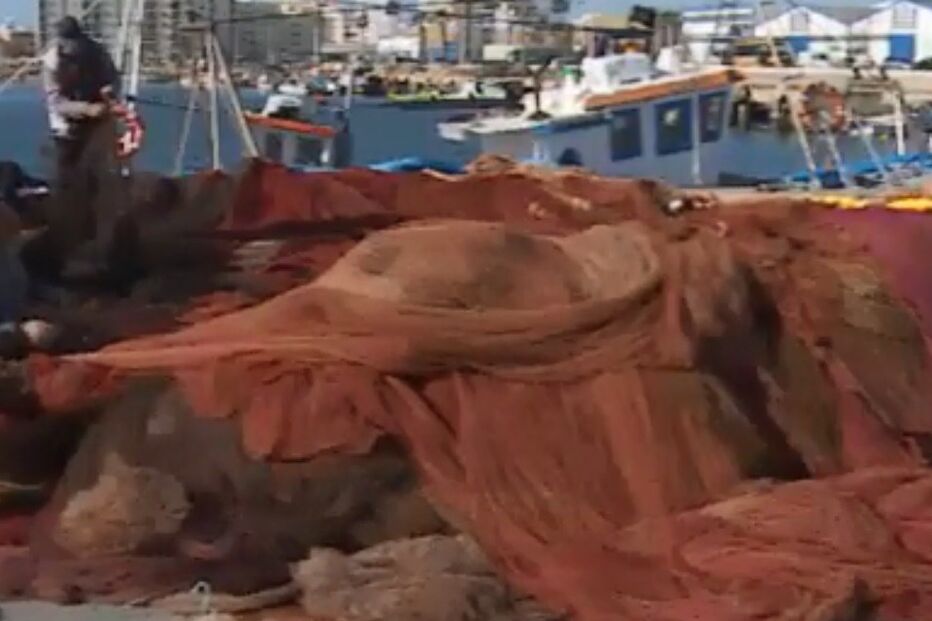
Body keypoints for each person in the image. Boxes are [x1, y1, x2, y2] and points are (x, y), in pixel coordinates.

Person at [40, 16, 134, 287]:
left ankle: (104, 251)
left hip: (99, 128)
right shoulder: (51, 61)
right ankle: (67, 254)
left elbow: (113, 78)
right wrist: (86, 109)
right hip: (67, 131)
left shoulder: (96, 51)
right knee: (69, 192)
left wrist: (108, 92)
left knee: (104, 187)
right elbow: (56, 101)